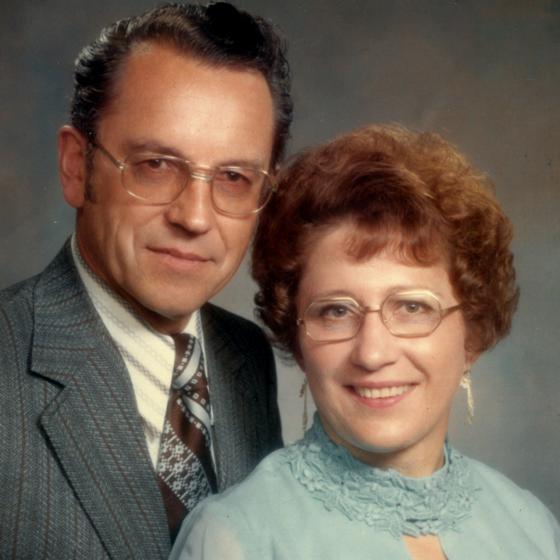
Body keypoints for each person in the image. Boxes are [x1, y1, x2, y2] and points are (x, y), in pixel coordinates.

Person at [171, 125, 560, 559]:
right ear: (297, 340)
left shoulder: (533, 528)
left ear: (472, 334)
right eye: (336, 312)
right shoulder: (232, 537)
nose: (372, 353)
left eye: (412, 307)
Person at [0, 2, 292, 558]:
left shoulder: (247, 357)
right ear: (76, 167)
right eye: (156, 165)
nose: (195, 217)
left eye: (233, 177)